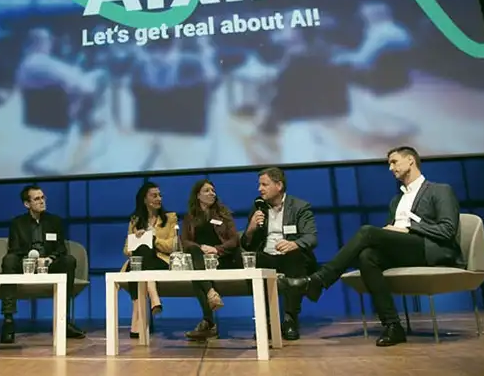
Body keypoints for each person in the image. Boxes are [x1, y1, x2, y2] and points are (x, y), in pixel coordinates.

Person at [278, 146, 462, 346]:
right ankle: (393, 325)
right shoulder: (396, 200)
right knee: (367, 256)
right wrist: (392, 231)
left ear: (411, 160)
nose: (391, 168)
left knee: (367, 231)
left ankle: (318, 280)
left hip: (429, 249)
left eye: (394, 162)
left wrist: (409, 228)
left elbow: (447, 230)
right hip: (405, 250)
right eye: (389, 164)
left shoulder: (439, 190)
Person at [0, 185, 86, 343]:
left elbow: (61, 248)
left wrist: (50, 258)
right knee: (9, 260)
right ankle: (8, 321)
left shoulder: (55, 221)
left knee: (69, 261)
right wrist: (30, 259)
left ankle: (63, 321)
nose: (42, 201)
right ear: (27, 204)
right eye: (37, 199)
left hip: (48, 263)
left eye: (43, 198)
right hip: (25, 263)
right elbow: (14, 249)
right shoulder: (17, 223)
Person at [241, 167, 318, 340]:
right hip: (267, 256)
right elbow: (247, 244)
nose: (260, 189)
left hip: (291, 256)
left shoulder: (299, 207)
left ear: (279, 185)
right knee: (254, 261)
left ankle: (290, 319)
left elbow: (311, 238)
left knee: (294, 258)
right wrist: (251, 228)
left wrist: (294, 244)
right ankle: (265, 321)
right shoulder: (258, 208)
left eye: (264, 184)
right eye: (259, 185)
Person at [180, 179, 240, 341]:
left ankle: (208, 322)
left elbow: (234, 240)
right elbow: (184, 241)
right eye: (207, 191)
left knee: (196, 278)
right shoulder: (190, 217)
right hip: (200, 258)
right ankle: (211, 293)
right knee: (193, 251)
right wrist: (200, 249)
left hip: (221, 259)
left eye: (213, 190)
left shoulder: (223, 214)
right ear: (198, 195)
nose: (212, 193)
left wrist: (216, 249)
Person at [121, 181, 178, 338]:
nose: (158, 198)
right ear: (144, 199)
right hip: (139, 262)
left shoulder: (170, 218)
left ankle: (137, 320)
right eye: (154, 195)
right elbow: (127, 249)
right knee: (140, 255)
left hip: (161, 261)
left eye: (159, 195)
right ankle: (153, 298)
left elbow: (173, 246)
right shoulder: (135, 220)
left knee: (139, 262)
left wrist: (153, 239)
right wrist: (138, 238)